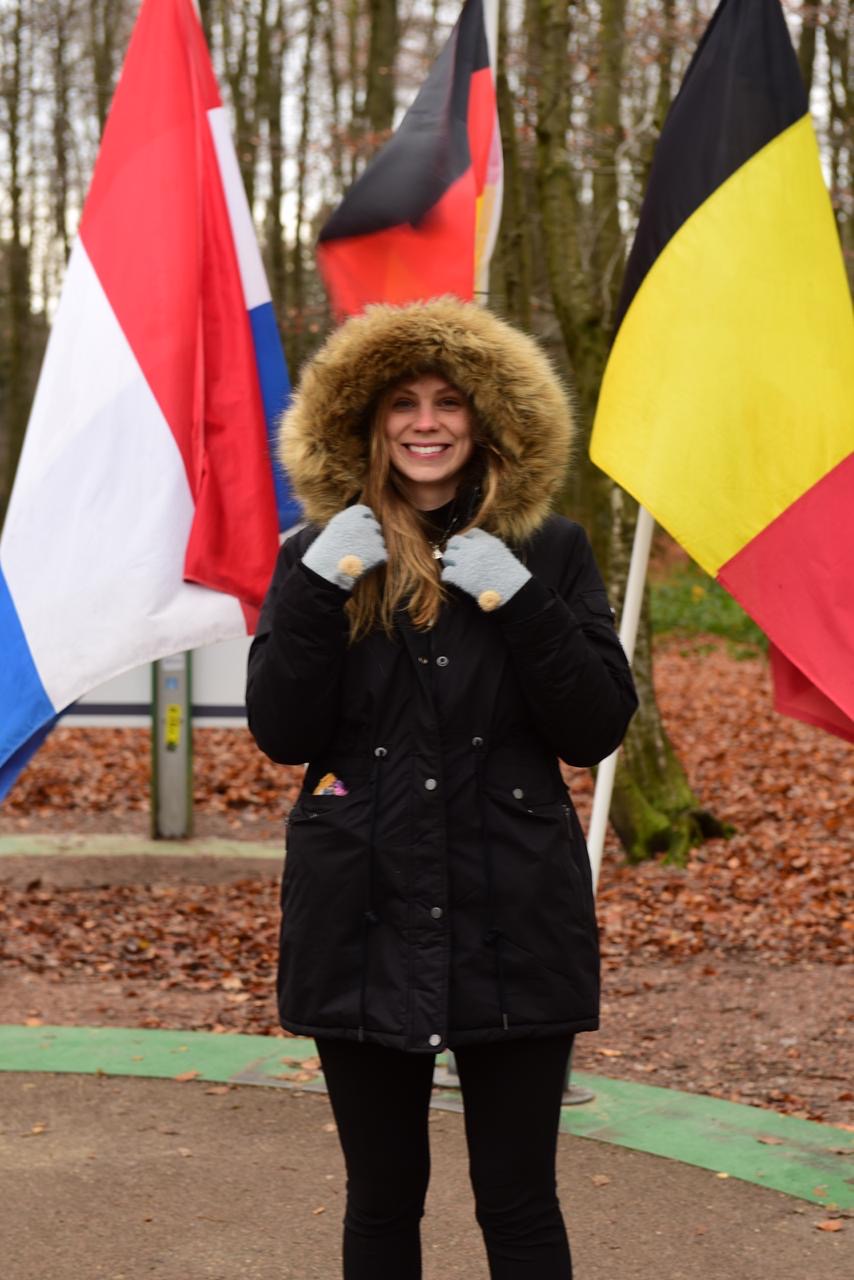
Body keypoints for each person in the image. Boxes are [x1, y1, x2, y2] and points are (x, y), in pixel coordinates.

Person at [246, 297, 637, 1279]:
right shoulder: (315, 553)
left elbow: (594, 726)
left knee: (517, 1199)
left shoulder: (548, 549)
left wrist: (520, 599)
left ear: (485, 417)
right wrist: (313, 590)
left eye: (447, 401)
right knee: (381, 1200)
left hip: (513, 910)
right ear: (367, 421)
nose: (425, 421)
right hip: (361, 910)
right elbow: (280, 732)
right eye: (402, 403)